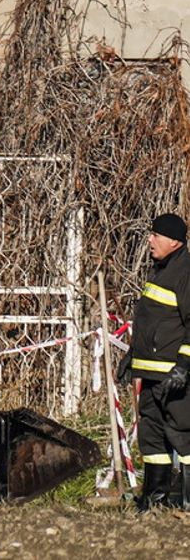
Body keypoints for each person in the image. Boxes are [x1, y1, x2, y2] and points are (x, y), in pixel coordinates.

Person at [125, 211, 190, 511]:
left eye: (156, 235)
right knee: (151, 436)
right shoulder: (159, 271)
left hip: (175, 377)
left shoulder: (185, 273)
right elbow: (151, 323)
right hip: (151, 375)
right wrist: (131, 358)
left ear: (174, 241)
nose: (150, 240)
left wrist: (184, 367)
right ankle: (155, 499)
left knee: (182, 434)